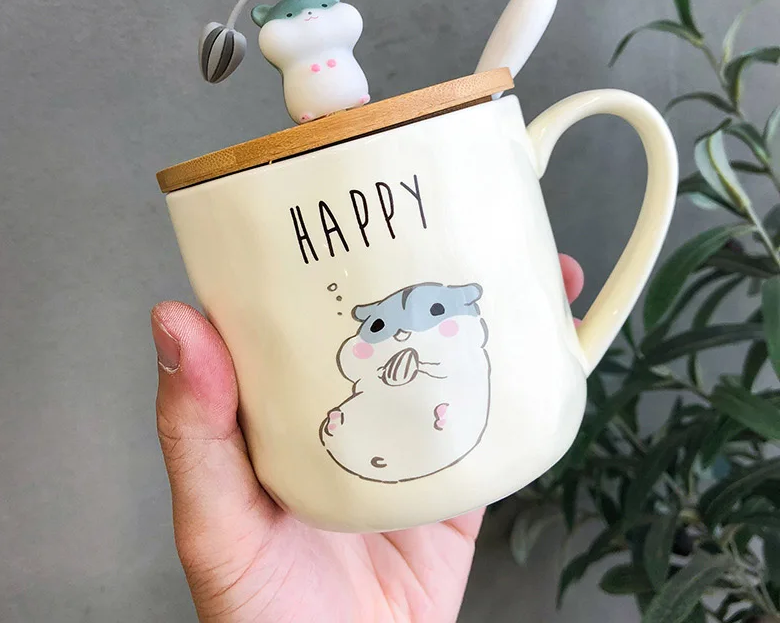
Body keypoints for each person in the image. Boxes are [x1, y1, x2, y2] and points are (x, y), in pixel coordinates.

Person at [150, 256, 584, 623]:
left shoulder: (459, 356)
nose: (401, 332)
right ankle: (365, 429)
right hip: (360, 470)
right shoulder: (376, 360)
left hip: (432, 435)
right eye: (383, 326)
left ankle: (437, 417)